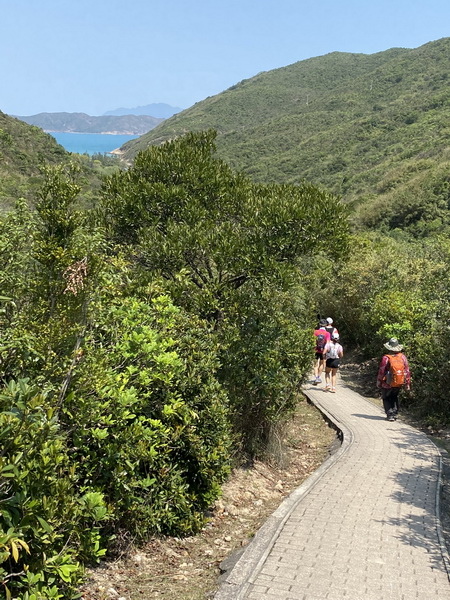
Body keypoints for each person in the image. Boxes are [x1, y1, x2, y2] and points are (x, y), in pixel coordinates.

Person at [376, 337, 411, 421]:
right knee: (394, 397)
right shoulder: (402, 357)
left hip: (387, 383)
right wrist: (407, 383)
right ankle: (395, 413)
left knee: (386, 397)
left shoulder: (386, 358)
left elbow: (382, 371)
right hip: (398, 381)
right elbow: (407, 371)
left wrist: (379, 381)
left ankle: (390, 414)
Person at [313, 319, 331, 384]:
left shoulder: (315, 332)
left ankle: (316, 377)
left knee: (315, 364)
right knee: (321, 364)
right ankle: (319, 377)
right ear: (326, 325)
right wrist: (325, 351)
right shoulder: (327, 333)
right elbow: (328, 343)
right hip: (323, 351)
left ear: (319, 324)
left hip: (315, 350)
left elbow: (313, 341)